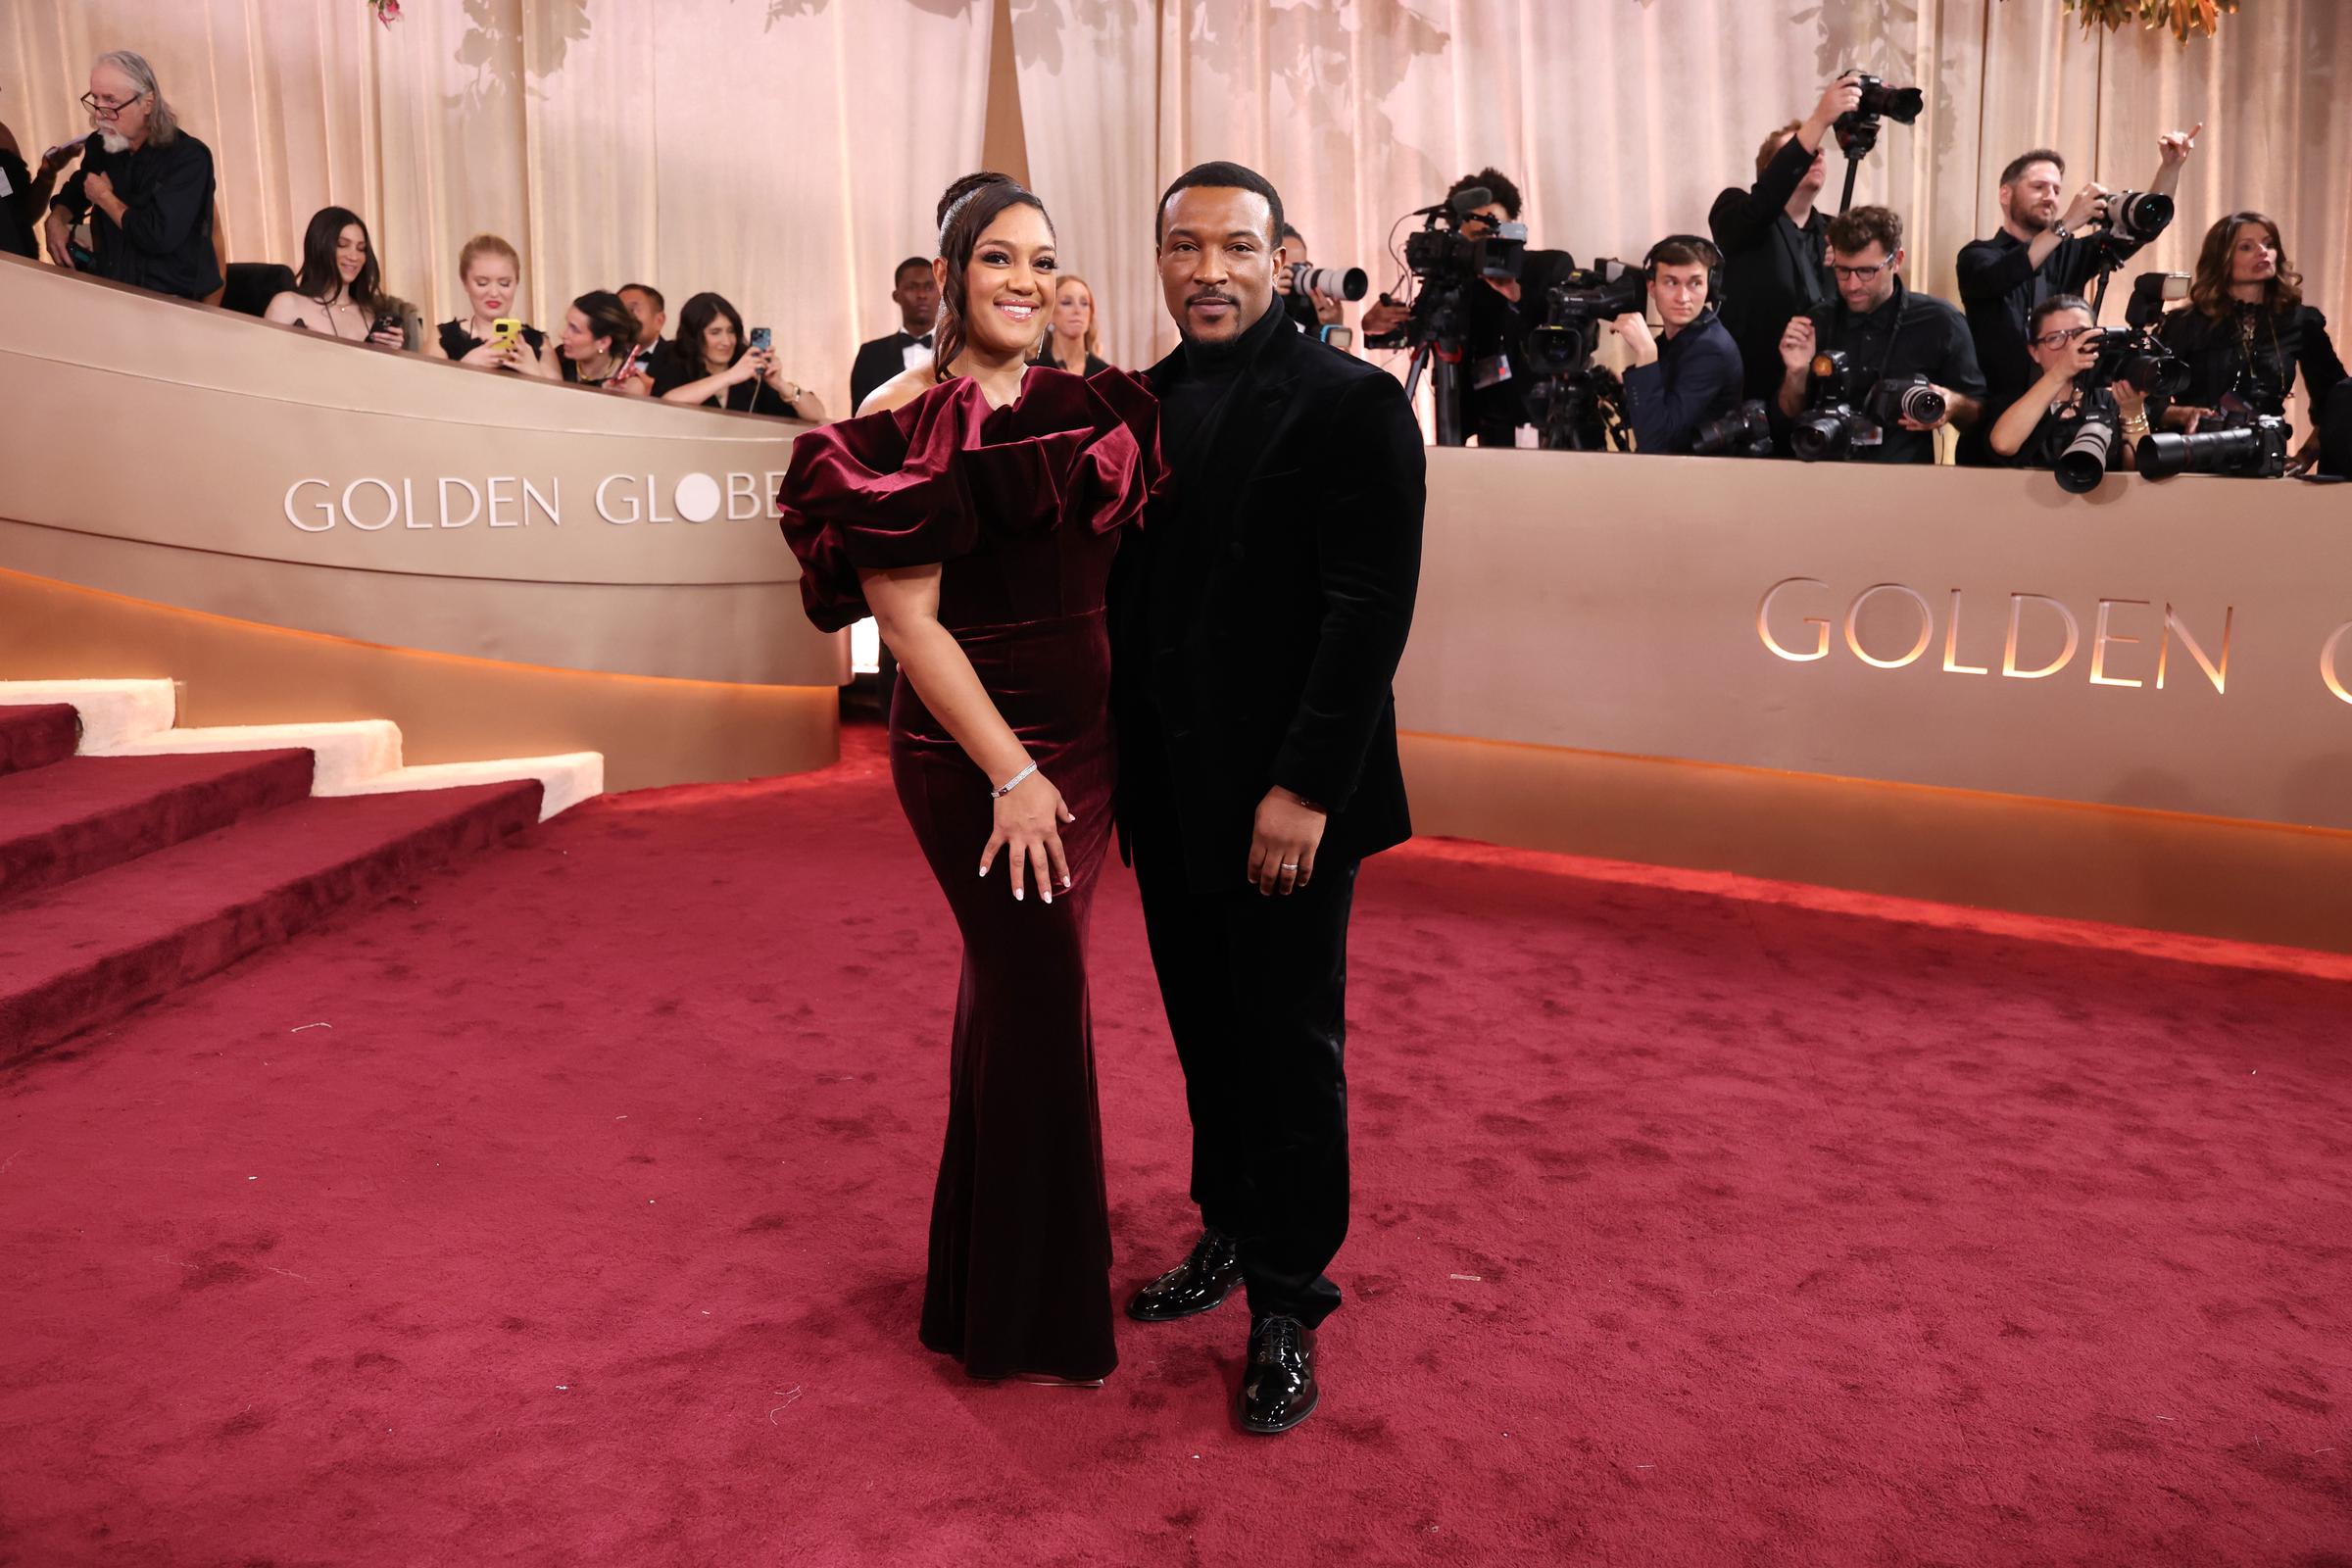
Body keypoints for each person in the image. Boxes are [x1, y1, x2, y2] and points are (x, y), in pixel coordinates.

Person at [775, 172, 1159, 1386]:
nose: (1026, 283)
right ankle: (1034, 1318)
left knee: (1013, 999)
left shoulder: (1086, 401)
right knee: (1040, 999)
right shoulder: (899, 416)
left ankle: (980, 1291)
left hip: (1085, 756)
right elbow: (913, 629)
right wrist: (1014, 776)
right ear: (950, 274)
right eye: (1000, 259)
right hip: (978, 759)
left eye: (1043, 262)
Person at [1113, 161, 1423, 1436]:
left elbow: (1367, 618)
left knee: (1289, 1045)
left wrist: (1303, 790)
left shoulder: (1352, 405)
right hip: (1170, 788)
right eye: (1183, 248)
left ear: (1282, 254)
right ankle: (1230, 1228)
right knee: (1204, 1029)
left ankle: (1290, 1297)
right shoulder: (1135, 406)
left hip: (1290, 799)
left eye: (1235, 247)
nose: (1207, 270)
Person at [1953, 130, 2197, 465]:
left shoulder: (2070, 252)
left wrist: (2171, 168)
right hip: (1999, 420)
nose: (2050, 197)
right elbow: (2005, 275)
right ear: (2005, 194)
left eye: (2056, 189)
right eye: (2038, 187)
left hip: (2065, 418)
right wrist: (2068, 222)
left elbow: (2143, 229)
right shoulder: (1979, 256)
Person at [1361, 168, 1579, 446]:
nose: (1487, 244)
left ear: (1514, 226)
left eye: (1494, 230)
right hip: (1482, 430)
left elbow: (1563, 340)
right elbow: (1420, 329)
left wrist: (1516, 296)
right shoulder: (1453, 280)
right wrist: (1374, 327)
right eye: (1475, 238)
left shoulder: (1547, 268)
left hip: (1543, 427)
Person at [1775, 205, 1984, 464]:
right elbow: (1787, 418)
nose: (1852, 285)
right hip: (1827, 477)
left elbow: (1978, 414)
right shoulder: (1817, 321)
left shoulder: (1940, 321)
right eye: (1842, 270)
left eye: (1866, 272)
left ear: (1896, 261)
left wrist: (1953, 404)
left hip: (1904, 483)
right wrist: (1796, 374)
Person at [2157, 212, 2345, 474]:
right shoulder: (2185, 323)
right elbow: (2148, 403)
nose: (2262, 252)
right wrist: (2184, 413)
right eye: (2246, 247)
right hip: (2196, 463)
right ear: (2221, 259)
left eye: (2269, 244)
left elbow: (2338, 402)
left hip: (2267, 464)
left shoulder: (2301, 322)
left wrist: (2304, 457)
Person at [1710, 74, 1856, 405]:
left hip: (1822, 389)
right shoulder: (1735, 210)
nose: (1816, 155)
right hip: (1752, 389)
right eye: (1804, 151)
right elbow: (1760, 207)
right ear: (1773, 169)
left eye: (1819, 151)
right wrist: (1819, 119)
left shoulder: (1836, 232)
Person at [43, 50, 221, 300]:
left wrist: (105, 198)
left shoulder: (189, 158)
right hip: (115, 291)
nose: (99, 112)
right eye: (95, 98)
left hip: (175, 303)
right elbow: (77, 189)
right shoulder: (101, 145)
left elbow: (157, 236)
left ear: (147, 103)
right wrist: (56, 219)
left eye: (111, 100)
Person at [1609, 236, 1742, 455]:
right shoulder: (1677, 339)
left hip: (1701, 480)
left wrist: (1646, 354)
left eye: (1695, 283)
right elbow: (1650, 414)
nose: (1683, 297)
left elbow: (1656, 444)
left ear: (1710, 288)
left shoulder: (1711, 349)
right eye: (1671, 282)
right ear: (1652, 288)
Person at [1984, 295, 2147, 473]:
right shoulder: (2017, 400)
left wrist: (2133, 412)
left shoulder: (2112, 398)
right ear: (2034, 352)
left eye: (2081, 335)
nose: (2071, 346)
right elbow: (2003, 444)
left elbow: (2137, 471)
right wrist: (2060, 372)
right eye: (2055, 338)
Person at [654, 291, 825, 418]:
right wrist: (730, 376)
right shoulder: (673, 358)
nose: (727, 341)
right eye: (715, 332)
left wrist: (780, 384)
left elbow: (817, 415)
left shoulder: (751, 369)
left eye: (731, 331)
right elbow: (667, 404)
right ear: (694, 336)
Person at [262, 207, 408, 349]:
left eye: (361, 249)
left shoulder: (371, 313)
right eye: (342, 245)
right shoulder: (287, 305)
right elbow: (265, 366)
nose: (353, 256)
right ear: (319, 247)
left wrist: (391, 355)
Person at [425, 232, 558, 377]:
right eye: (482, 283)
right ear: (465, 283)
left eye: (504, 284)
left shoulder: (538, 343)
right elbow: (428, 394)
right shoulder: (442, 338)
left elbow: (562, 399)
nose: (494, 293)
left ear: (516, 282)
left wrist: (535, 373)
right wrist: (464, 367)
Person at [849, 256, 943, 413]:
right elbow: (858, 421)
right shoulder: (870, 354)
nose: (921, 295)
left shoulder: (958, 351)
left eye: (928, 287)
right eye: (912, 287)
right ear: (896, 296)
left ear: (941, 293)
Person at [556, 289, 653, 395]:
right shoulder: (558, 359)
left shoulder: (627, 384)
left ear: (603, 342)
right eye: (567, 324)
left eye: (575, 330)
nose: (563, 335)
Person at [1032, 273, 1111, 376]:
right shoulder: (1031, 374)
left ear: (1090, 314)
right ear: (1049, 314)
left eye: (1084, 303)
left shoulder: (1107, 376)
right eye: (1067, 302)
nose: (1077, 310)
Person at [1273, 222, 1345, 336]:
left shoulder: (1310, 305)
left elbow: (1339, 353)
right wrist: (1267, 301)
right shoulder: (1251, 306)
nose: (1295, 274)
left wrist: (1333, 327)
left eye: (1302, 266)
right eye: (1287, 268)